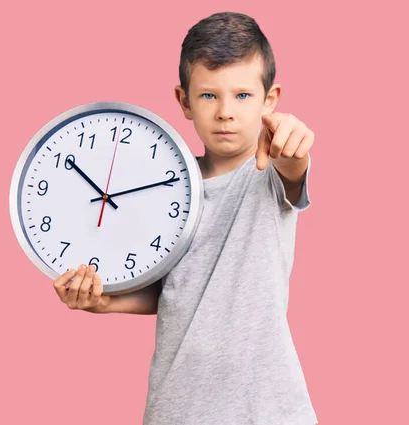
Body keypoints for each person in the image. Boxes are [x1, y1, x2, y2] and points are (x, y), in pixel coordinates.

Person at [52, 11, 318, 425]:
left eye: (243, 95)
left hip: (266, 408)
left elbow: (294, 168)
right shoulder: (166, 185)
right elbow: (176, 292)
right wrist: (105, 302)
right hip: (177, 406)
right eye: (209, 95)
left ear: (271, 99)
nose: (226, 112)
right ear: (184, 101)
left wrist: (294, 146)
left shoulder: (270, 172)